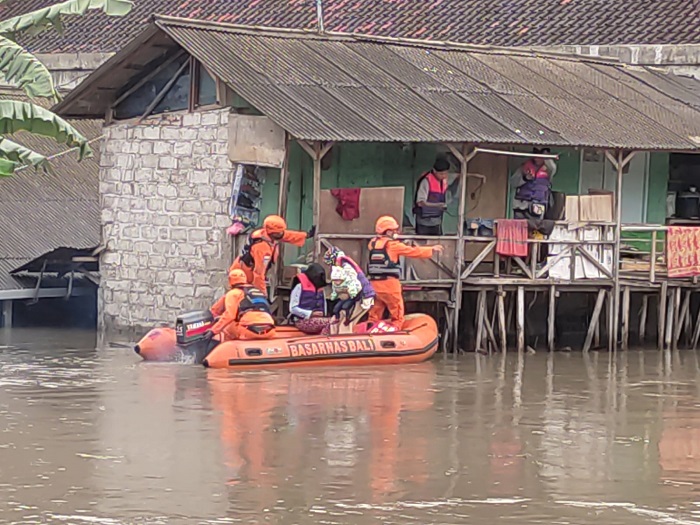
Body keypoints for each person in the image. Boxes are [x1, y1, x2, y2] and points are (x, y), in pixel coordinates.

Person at [367, 216, 443, 329]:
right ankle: (396, 330)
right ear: (387, 231)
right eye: (394, 230)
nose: (396, 232)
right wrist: (431, 249)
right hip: (390, 284)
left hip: (374, 285)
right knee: (397, 311)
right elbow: (413, 251)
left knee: (375, 311)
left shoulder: (372, 243)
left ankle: (370, 329)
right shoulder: (393, 245)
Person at [230, 215, 314, 295]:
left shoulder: (265, 233)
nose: (282, 234)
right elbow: (258, 274)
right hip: (243, 276)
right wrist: (262, 294)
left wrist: (306, 235)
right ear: (272, 233)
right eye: (279, 233)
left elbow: (287, 235)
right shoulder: (262, 248)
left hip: (245, 269)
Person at [206, 269, 276, 341]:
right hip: (269, 330)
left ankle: (229, 349)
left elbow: (229, 315)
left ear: (230, 281)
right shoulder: (257, 292)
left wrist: (213, 331)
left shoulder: (233, 293)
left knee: (226, 326)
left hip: (248, 331)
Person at [510, 148, 557, 221]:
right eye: (535, 153)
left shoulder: (549, 169)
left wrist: (547, 156)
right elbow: (513, 183)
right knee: (519, 227)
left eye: (540, 154)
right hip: (521, 205)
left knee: (535, 228)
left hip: (538, 205)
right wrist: (525, 178)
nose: (537, 158)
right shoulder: (524, 167)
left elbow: (553, 167)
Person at [288, 263, 331, 335]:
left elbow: (324, 305)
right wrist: (310, 313)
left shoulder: (320, 287)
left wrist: (323, 314)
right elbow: (292, 308)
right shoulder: (299, 286)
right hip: (301, 320)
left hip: (319, 319)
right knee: (329, 323)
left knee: (335, 321)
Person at [413, 158, 450, 236]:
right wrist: (438, 205)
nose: (443, 176)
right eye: (441, 174)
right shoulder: (426, 182)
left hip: (437, 221)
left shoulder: (444, 181)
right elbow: (420, 202)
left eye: (445, 173)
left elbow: (457, 176)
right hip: (423, 222)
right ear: (434, 171)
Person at [329, 262, 363, 327]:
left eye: (338, 280)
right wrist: (333, 296)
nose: (337, 282)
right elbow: (334, 291)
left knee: (345, 307)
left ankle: (347, 318)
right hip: (342, 298)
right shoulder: (334, 284)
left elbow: (353, 288)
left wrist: (352, 293)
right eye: (335, 280)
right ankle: (337, 318)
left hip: (351, 297)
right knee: (335, 309)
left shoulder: (348, 281)